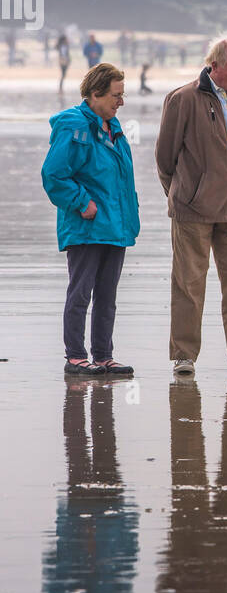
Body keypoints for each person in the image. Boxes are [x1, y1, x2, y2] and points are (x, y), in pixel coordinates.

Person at [155, 34, 227, 378]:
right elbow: (165, 159)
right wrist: (185, 196)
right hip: (193, 211)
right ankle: (184, 356)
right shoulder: (183, 99)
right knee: (189, 284)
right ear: (215, 64)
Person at [41, 62, 140, 376]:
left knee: (107, 297)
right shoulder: (73, 126)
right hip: (86, 226)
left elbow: (122, 183)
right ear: (95, 93)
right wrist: (82, 203)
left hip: (115, 227)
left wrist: (129, 219)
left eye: (122, 95)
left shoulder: (115, 128)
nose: (121, 102)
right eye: (116, 95)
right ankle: (75, 357)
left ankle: (103, 355)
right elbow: (54, 175)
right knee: (80, 293)